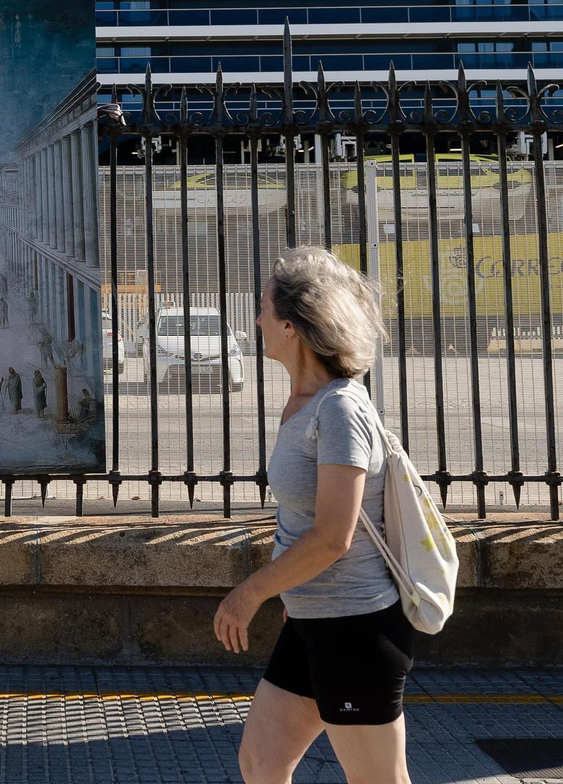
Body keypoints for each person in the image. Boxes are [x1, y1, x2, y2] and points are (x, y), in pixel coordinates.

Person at [212, 247, 409, 784]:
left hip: (355, 628)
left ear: (292, 325)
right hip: (313, 622)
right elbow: (300, 524)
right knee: (262, 762)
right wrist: (291, 591)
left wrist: (249, 592)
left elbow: (331, 538)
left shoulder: (340, 408)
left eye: (263, 308)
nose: (256, 321)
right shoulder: (302, 403)